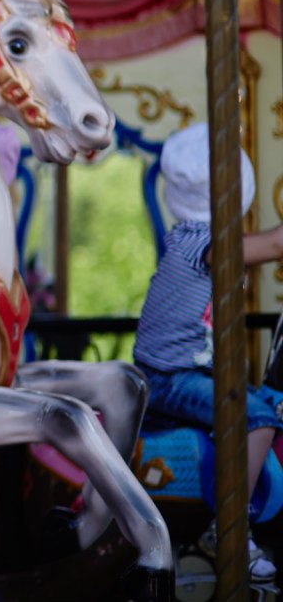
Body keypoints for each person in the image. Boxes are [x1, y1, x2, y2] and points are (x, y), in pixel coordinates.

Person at [134, 121, 283, 582]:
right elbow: (277, 243)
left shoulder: (188, 236)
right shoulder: (206, 243)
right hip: (168, 378)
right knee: (258, 418)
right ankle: (228, 528)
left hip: (176, 371)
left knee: (264, 398)